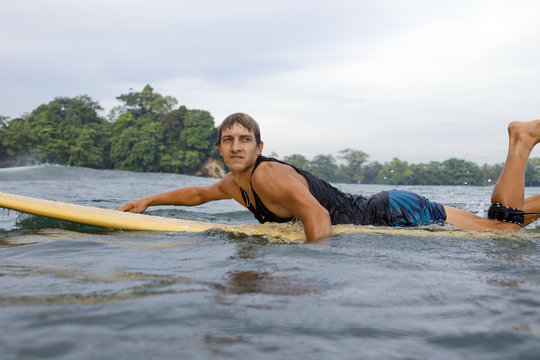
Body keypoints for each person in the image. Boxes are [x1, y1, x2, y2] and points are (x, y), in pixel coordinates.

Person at [119, 113, 540, 242]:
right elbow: (197, 193)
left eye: (244, 139)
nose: (235, 147)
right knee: (502, 225)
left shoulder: (270, 178)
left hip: (390, 214)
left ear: (259, 148)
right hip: (390, 205)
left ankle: (521, 141)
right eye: (227, 140)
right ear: (219, 149)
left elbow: (318, 218)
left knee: (502, 231)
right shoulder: (236, 184)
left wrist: (312, 267)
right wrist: (148, 202)